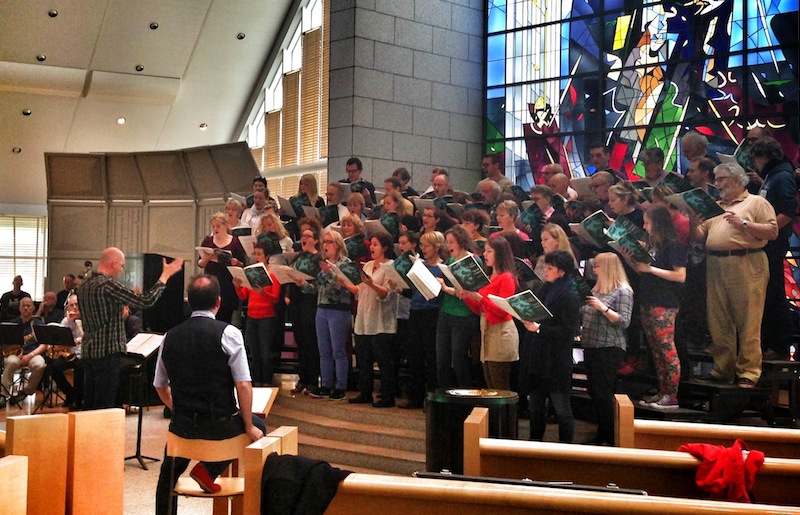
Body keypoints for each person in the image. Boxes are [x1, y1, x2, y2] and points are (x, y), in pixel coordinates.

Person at [154, 275, 266, 515]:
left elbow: (160, 386)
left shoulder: (169, 336)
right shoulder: (229, 333)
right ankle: (208, 470)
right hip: (219, 425)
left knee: (167, 475)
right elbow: (243, 384)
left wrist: (178, 409)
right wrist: (248, 425)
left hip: (182, 426)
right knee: (259, 424)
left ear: (190, 302)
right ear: (218, 301)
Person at [691, 162, 777, 388]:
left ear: (736, 180)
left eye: (720, 179)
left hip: (746, 261)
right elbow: (700, 237)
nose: (716, 184)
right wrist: (693, 223)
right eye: (716, 179)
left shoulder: (756, 202)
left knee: (749, 319)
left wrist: (744, 224)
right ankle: (724, 368)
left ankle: (749, 371)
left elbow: (772, 231)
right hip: (715, 263)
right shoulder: (715, 206)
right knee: (718, 320)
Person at [78, 247, 184, 409]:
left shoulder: (84, 285)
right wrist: (165, 275)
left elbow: (102, 314)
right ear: (113, 264)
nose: (121, 270)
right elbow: (147, 301)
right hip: (107, 352)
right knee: (105, 404)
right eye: (121, 266)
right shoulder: (107, 285)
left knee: (90, 403)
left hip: (88, 350)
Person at [625, 206, 686, 409]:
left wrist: (650, 269)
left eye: (647, 222)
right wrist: (628, 258)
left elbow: (680, 275)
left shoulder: (674, 245)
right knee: (655, 349)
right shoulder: (653, 247)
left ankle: (672, 394)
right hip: (648, 299)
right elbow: (643, 272)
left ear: (658, 223)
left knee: (666, 348)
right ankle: (663, 390)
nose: (644, 226)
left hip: (664, 302)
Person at [519, 250, 580, 442]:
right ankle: (535, 445)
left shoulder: (569, 296)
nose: (545, 270)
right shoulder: (545, 288)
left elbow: (568, 332)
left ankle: (565, 449)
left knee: (562, 409)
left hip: (556, 361)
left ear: (562, 272)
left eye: (550, 267)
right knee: (535, 408)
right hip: (538, 358)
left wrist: (539, 329)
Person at [750, 137, 798, 360]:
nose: (754, 163)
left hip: (774, 242)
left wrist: (766, 230)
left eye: (756, 158)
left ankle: (779, 344)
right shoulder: (774, 174)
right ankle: (772, 342)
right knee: (770, 291)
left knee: (775, 292)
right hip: (769, 240)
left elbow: (788, 210)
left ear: (764, 156)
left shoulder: (782, 175)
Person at [581, 253, 633, 445]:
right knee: (594, 391)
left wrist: (603, 308)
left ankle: (609, 436)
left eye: (598, 266)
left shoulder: (623, 291)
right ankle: (602, 431)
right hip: (591, 344)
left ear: (608, 268)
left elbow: (624, 321)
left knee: (603, 392)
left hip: (609, 346)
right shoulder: (597, 289)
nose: (594, 270)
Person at [460, 236, 520, 391]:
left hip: (501, 332)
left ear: (499, 253)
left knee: (499, 384)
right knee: (490, 383)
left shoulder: (506, 278)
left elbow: (503, 311)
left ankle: (506, 409)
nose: (484, 254)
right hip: (487, 331)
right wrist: (467, 297)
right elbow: (480, 309)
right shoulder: (489, 277)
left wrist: (480, 298)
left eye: (489, 251)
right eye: (485, 251)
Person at [347, 232, 399, 407]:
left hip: (381, 320)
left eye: (376, 244)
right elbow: (359, 290)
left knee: (384, 361)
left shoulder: (390, 266)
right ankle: (365, 392)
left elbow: (387, 293)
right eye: (371, 244)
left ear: (385, 247)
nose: (372, 247)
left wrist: (371, 284)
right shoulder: (368, 265)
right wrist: (344, 281)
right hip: (364, 317)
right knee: (363, 359)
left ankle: (388, 396)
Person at [308, 230, 355, 400]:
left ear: (338, 244)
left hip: (339, 309)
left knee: (338, 350)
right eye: (324, 242)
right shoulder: (323, 264)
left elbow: (344, 287)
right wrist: (301, 283)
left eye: (329, 242)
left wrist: (330, 273)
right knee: (324, 350)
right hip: (322, 308)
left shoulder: (346, 264)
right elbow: (318, 288)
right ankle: (326, 384)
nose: (325, 245)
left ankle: (340, 386)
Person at [401, 231, 445, 409]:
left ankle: (432, 398)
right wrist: (400, 288)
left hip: (432, 313)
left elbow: (441, 294)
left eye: (427, 245)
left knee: (431, 356)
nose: (423, 248)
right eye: (421, 245)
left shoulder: (442, 268)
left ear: (437, 247)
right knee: (414, 355)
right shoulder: (420, 266)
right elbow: (414, 292)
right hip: (415, 311)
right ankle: (415, 397)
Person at [436, 225, 481, 388]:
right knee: (442, 359)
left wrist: (446, 288)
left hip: (463, 315)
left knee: (458, 360)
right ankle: (444, 395)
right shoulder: (450, 261)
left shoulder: (473, 260)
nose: (448, 246)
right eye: (447, 242)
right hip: (446, 312)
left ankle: (464, 395)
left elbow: (472, 292)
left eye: (451, 242)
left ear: (461, 241)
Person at [234, 244, 281, 386]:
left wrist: (263, 293)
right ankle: (256, 381)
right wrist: (237, 286)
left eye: (259, 254)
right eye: (255, 254)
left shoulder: (273, 275)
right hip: (252, 316)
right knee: (254, 352)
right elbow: (243, 296)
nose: (256, 257)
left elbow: (275, 298)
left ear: (267, 257)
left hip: (267, 317)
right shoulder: (251, 274)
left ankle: (266, 381)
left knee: (265, 352)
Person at [285, 226, 322, 396]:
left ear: (316, 240)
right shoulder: (298, 256)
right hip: (296, 301)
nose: (304, 239)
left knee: (310, 342)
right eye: (303, 236)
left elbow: (318, 282)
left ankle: (312, 380)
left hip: (310, 301)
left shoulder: (318, 258)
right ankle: (303, 379)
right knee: (300, 341)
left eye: (308, 236)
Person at [197, 212, 247, 323]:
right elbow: (200, 263)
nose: (215, 229)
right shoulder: (208, 241)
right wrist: (207, 257)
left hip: (227, 285)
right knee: (209, 317)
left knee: (225, 317)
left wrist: (236, 262)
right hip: (211, 284)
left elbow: (243, 265)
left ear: (225, 225)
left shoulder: (235, 242)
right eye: (213, 226)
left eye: (218, 226)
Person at [1, 297, 46, 407]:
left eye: (28, 306)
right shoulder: (12, 324)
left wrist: (30, 355)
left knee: (40, 364)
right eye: (23, 306)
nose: (25, 308)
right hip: (15, 354)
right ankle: (3, 395)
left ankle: (26, 392)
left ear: (33, 308)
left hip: (33, 354)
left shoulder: (39, 323)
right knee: (11, 362)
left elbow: (44, 344)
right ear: (19, 308)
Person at [50, 293, 85, 410]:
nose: (74, 307)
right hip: (70, 354)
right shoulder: (66, 320)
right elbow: (60, 339)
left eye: (77, 305)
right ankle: (70, 393)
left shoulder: (87, 319)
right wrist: (69, 323)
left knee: (80, 367)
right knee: (53, 367)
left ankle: (78, 399)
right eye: (71, 305)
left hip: (83, 354)